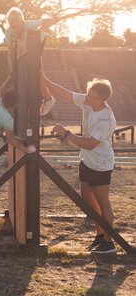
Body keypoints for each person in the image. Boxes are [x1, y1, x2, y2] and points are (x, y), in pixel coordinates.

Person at [42, 74, 117, 254]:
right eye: (87, 94)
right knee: (87, 200)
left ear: (100, 100)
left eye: (90, 96)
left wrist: (66, 134)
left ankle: (109, 242)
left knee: (103, 202)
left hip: (100, 163)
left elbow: (90, 144)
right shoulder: (89, 102)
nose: (86, 98)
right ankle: (100, 235)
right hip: (86, 160)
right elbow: (65, 93)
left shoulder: (106, 120)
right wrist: (43, 78)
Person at [0, 7, 56, 116]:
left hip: (37, 42)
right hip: (25, 47)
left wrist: (39, 29)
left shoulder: (29, 25)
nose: (15, 29)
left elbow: (50, 21)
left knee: (38, 73)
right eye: (12, 27)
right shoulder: (8, 32)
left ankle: (48, 99)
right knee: (23, 73)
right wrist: (12, 70)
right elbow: (10, 53)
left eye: (17, 26)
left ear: (23, 22)